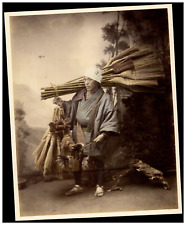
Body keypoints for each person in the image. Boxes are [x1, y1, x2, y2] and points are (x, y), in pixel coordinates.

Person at [61, 66, 119, 197]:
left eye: (90, 80)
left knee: (97, 158)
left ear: (97, 81)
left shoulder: (104, 98)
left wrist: (104, 134)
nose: (86, 82)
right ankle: (77, 185)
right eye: (85, 79)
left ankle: (99, 185)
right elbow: (71, 107)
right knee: (77, 157)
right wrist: (62, 103)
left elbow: (110, 116)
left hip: (95, 132)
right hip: (79, 130)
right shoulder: (80, 94)